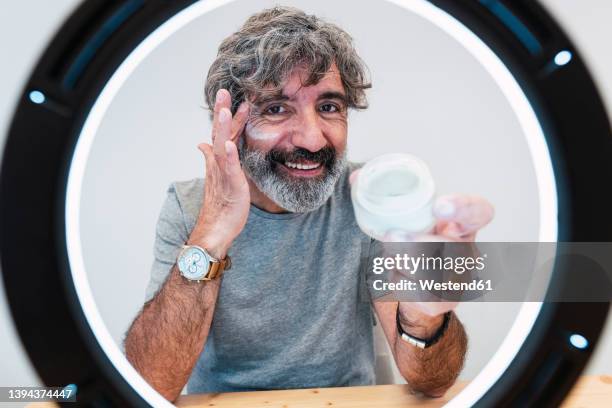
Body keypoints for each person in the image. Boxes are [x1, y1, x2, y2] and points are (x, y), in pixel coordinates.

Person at [123, 6, 493, 402]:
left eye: (329, 107)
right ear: (231, 124)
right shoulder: (189, 206)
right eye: (277, 108)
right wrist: (212, 233)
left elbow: (432, 383)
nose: (312, 140)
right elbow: (149, 388)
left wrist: (423, 320)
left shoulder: (369, 199)